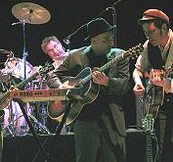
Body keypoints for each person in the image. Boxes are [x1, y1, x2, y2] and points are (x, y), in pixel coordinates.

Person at [49, 18, 130, 162]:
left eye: (111, 39)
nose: (111, 43)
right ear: (93, 40)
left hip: (111, 119)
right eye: (106, 40)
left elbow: (124, 85)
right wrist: (60, 86)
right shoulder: (75, 56)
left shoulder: (119, 56)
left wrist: (107, 82)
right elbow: (53, 76)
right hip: (84, 119)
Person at [133, 8, 173, 162]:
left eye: (151, 32)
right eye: (145, 33)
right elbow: (138, 69)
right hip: (158, 106)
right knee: (161, 146)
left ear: (164, 28)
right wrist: (138, 83)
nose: (148, 37)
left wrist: (167, 84)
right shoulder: (148, 45)